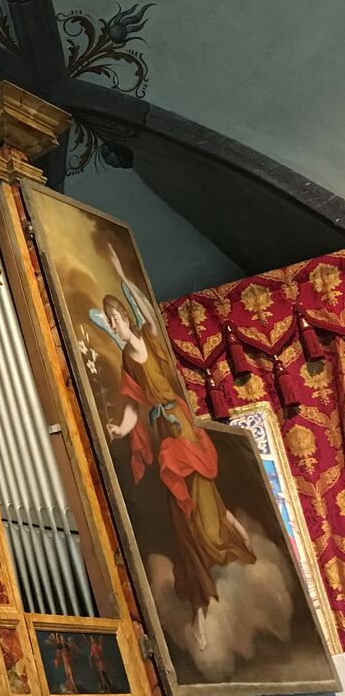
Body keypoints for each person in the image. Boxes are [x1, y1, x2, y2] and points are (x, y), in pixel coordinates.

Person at [94, 243, 255, 651]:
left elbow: (147, 312)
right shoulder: (128, 362)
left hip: (183, 425)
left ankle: (230, 527)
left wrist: (122, 276)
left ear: (124, 316)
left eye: (116, 318)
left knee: (204, 497)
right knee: (183, 524)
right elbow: (132, 407)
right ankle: (200, 608)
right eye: (109, 321)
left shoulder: (148, 337)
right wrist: (119, 429)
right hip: (167, 433)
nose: (114, 324)